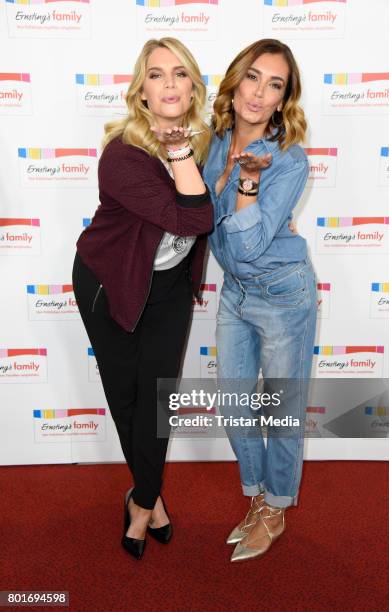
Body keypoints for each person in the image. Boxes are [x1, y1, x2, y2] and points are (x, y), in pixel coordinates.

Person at [72, 37, 213, 561]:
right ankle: (150, 499)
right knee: (126, 398)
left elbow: (216, 206)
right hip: (110, 283)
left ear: (193, 86)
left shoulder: (205, 141)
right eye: (156, 75)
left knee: (157, 401)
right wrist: (177, 151)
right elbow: (193, 218)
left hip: (168, 287)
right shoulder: (123, 155)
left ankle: (142, 499)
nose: (170, 83)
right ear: (142, 92)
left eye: (180, 73)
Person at [203, 39, 317, 562]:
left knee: (283, 411)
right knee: (235, 402)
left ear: (283, 98)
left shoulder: (288, 159)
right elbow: (199, 216)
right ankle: (257, 497)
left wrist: (247, 183)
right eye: (254, 77)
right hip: (235, 293)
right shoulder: (215, 139)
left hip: (282, 294)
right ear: (236, 80)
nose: (260, 92)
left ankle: (275, 507)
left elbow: (247, 246)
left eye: (275, 84)